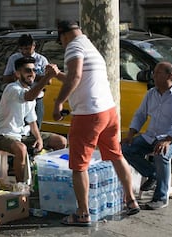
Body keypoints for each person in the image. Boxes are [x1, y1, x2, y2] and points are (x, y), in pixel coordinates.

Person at [50, 20, 140, 226]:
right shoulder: (89, 45)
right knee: (117, 155)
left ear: (63, 35)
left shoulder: (73, 46)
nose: (62, 44)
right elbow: (78, 78)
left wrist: (58, 103)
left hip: (88, 114)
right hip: (108, 111)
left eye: (61, 40)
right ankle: (131, 201)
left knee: (79, 166)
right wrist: (57, 75)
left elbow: (75, 76)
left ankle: (82, 214)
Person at [121, 61, 172, 210]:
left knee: (161, 153)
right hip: (150, 137)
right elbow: (140, 115)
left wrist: (167, 140)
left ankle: (160, 197)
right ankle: (152, 174)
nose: (154, 75)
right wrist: (131, 134)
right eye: (154, 72)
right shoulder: (151, 93)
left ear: (170, 75)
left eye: (158, 73)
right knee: (125, 148)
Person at [0, 56, 67, 183]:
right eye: (28, 71)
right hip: (4, 135)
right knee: (21, 149)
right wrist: (47, 77)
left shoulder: (30, 91)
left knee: (61, 141)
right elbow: (28, 97)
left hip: (23, 134)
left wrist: (38, 138)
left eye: (34, 71)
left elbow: (32, 121)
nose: (32, 74)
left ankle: (54, 180)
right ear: (17, 74)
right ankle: (21, 187)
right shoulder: (12, 89)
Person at [3, 34, 49, 129]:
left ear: (34, 46)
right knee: (20, 127)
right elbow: (6, 78)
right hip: (20, 97)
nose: (25, 52)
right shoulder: (14, 58)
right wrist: (20, 76)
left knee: (36, 126)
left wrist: (32, 77)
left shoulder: (41, 60)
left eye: (28, 48)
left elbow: (48, 80)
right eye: (22, 49)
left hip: (37, 98)